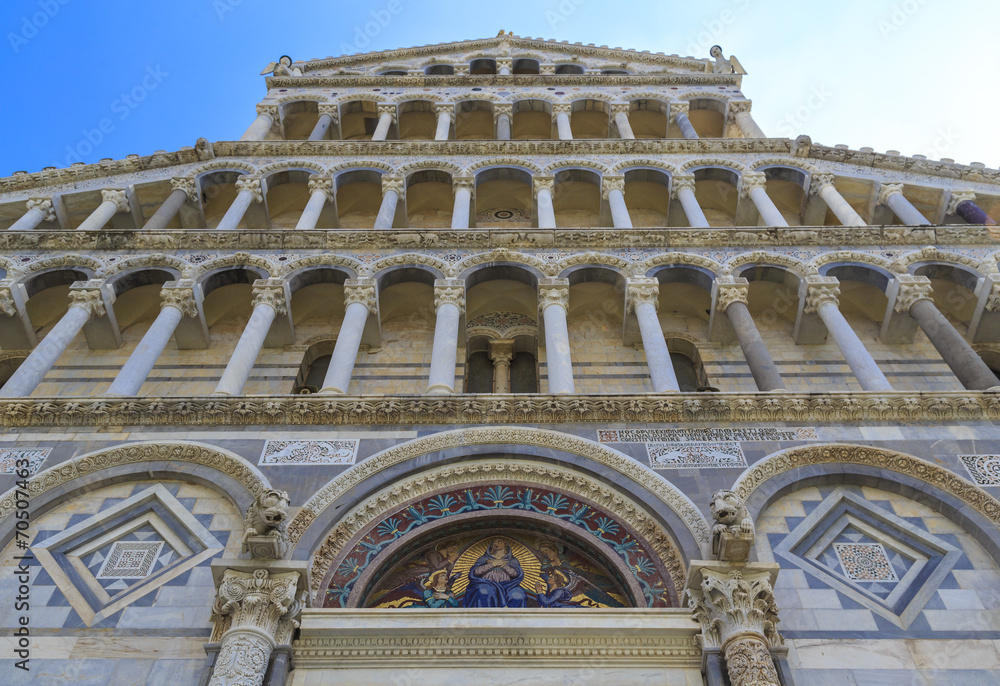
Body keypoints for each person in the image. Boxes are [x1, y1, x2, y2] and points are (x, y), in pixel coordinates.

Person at [463, 538, 527, 607]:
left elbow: (515, 574)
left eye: (499, 542)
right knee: (483, 591)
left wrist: (503, 565)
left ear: (505, 544)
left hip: (508, 585)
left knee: (518, 595)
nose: (496, 544)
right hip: (486, 583)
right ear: (491, 546)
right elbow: (476, 572)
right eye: (493, 543)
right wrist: (493, 564)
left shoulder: (512, 560)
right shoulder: (484, 558)